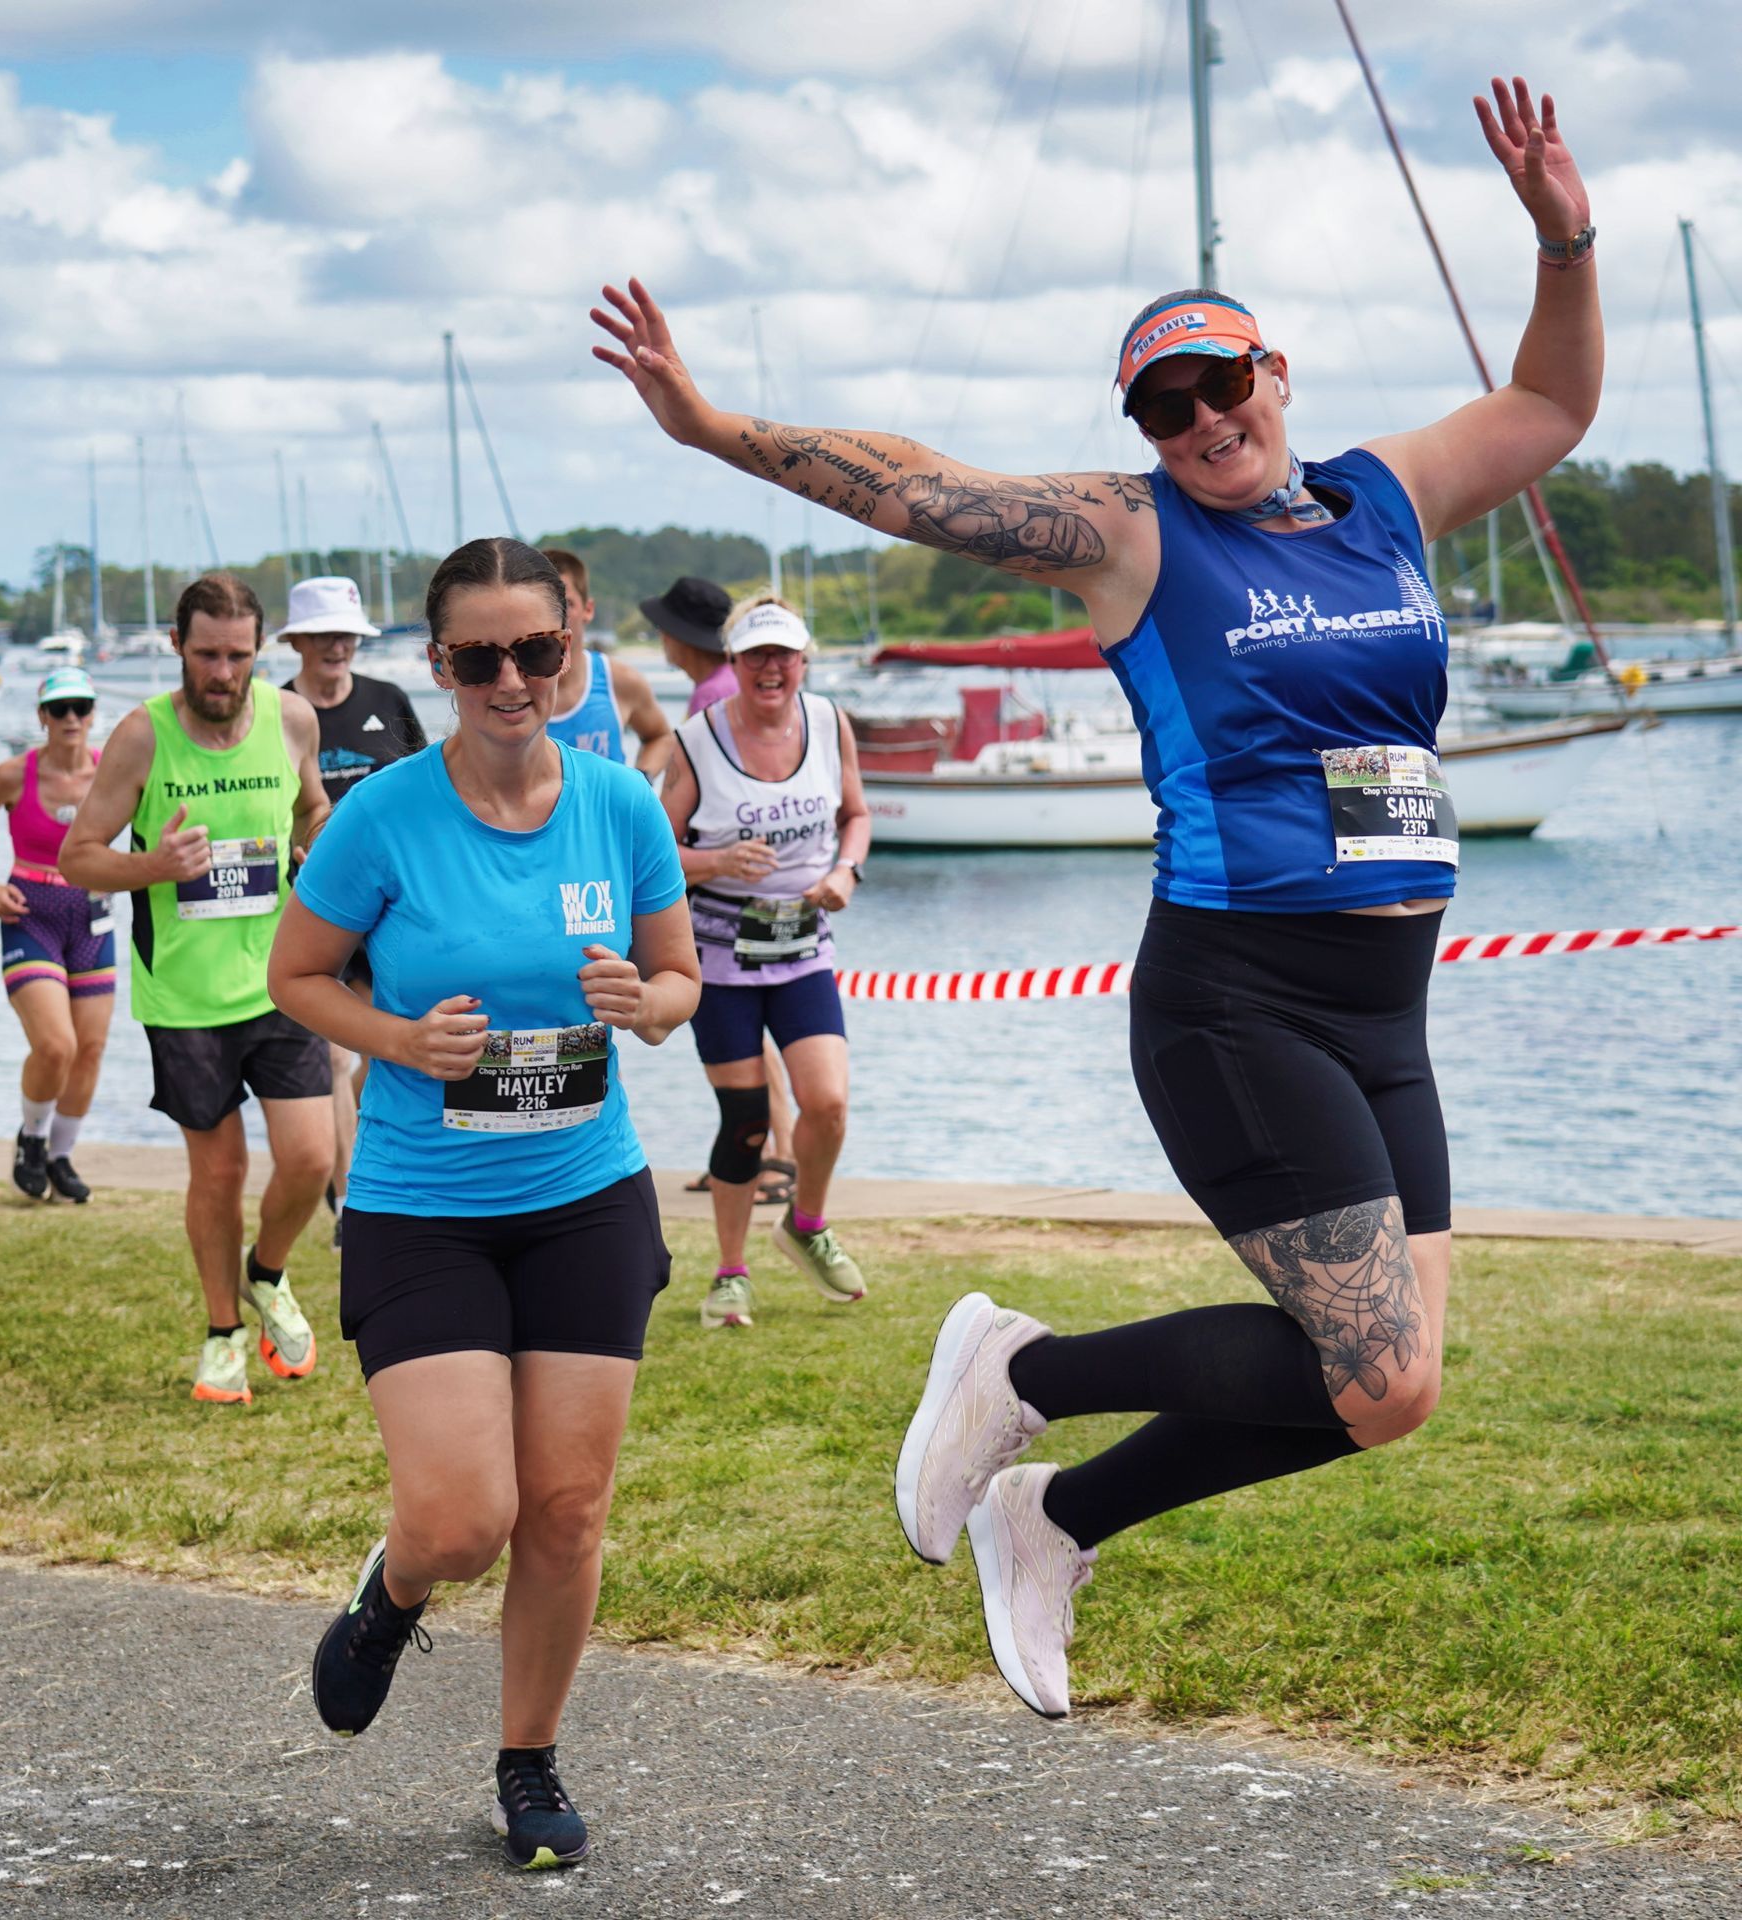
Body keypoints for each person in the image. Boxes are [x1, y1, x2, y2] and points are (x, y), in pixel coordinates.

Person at [595, 77, 1600, 1711]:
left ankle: (1054, 1516)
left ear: (1276, 374)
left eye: (1223, 384)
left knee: (1389, 1399)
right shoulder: (1135, 538)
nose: (1203, 420)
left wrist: (1562, 230)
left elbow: (1552, 406)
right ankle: (1020, 1369)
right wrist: (718, 433)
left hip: (1387, 1014)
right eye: (1164, 405)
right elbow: (919, 485)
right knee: (1379, 1361)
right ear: (1142, 432)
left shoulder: (1384, 497)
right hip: (1239, 1002)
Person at [267, 537, 699, 1870]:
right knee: (464, 1520)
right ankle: (391, 1594)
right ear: (441, 663)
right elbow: (298, 976)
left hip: (583, 1196)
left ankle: (528, 1762)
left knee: (566, 1512)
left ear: (572, 642)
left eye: (536, 649)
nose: (511, 678)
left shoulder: (620, 804)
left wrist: (647, 1003)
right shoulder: (385, 815)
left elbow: (679, 983)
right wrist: (401, 1041)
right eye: (478, 657)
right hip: (422, 1202)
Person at [60, 573, 336, 1407]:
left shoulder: (292, 719)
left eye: (240, 657)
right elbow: (79, 856)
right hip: (182, 995)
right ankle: (222, 1338)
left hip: (282, 979)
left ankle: (269, 1273)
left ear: (260, 654)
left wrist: (317, 849)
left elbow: (312, 810)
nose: (224, 673)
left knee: (313, 1157)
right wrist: (154, 867)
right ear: (178, 647)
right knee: (218, 1173)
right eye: (209, 654)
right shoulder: (142, 737)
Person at [659, 595, 872, 1328]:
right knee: (746, 1120)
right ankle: (729, 1274)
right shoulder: (696, 741)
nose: (771, 669)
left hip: (804, 945)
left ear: (804, 659)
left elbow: (858, 814)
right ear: (735, 663)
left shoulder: (830, 722)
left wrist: (845, 872)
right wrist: (718, 859)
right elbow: (653, 855)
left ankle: (806, 1225)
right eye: (756, 656)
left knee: (830, 1104)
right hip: (720, 957)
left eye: (784, 654)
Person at [277, 575, 429, 1245]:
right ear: (298, 642)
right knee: (337, 1061)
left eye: (347, 634)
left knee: (381, 1054)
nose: (337, 646)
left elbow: (431, 791)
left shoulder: (387, 700)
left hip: (392, 912)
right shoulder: (276, 710)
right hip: (313, 911)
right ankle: (351, 1206)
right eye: (323, 635)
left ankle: (380, 1170)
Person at [642, 572, 799, 1200]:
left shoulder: (711, 697)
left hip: (720, 900)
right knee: (750, 1041)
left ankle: (765, 1152)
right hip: (751, 899)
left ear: (685, 639)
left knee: (744, 1044)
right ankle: (762, 1149)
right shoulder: (712, 692)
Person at [0, 665, 114, 1205]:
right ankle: (32, 1139)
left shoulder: (111, 773)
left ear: (93, 714)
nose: (72, 718)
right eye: (60, 709)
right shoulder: (11, 775)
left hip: (92, 916)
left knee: (89, 1049)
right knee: (55, 1044)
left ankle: (61, 1156)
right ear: (42, 716)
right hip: (32, 915)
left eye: (81, 708)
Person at [539, 547, 674, 778]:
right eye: (546, 605)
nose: (557, 617)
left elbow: (661, 736)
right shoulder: (512, 688)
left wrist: (639, 784)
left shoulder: (619, 681)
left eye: (566, 604)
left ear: (588, 609)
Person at [640, 573, 735, 717]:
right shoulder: (729, 678)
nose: (662, 637)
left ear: (682, 639)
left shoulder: (710, 694)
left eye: (664, 628)